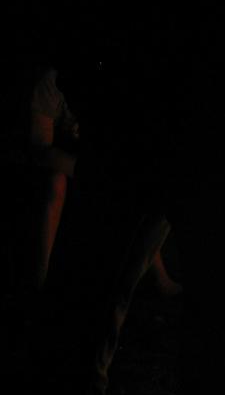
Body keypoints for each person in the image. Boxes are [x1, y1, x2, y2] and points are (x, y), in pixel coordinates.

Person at [29, 63, 181, 295]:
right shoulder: (50, 83)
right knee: (55, 183)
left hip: (93, 166)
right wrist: (90, 171)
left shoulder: (109, 81)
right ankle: (40, 280)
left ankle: (152, 276)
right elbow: (40, 151)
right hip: (61, 167)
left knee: (142, 188)